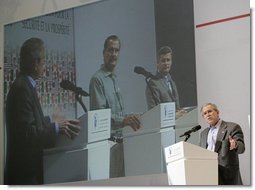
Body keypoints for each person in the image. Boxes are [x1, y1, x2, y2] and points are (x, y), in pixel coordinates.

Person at [4, 37, 80, 185]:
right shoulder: (22, 88)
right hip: (24, 176)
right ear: (35, 63)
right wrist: (57, 128)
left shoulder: (25, 85)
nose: (45, 65)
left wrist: (51, 120)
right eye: (43, 61)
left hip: (27, 173)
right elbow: (27, 134)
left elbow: (29, 123)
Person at [89, 35, 141, 178]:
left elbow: (117, 112)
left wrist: (132, 117)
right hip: (108, 147)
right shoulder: (97, 80)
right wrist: (123, 121)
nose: (114, 54)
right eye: (110, 50)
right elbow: (100, 117)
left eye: (116, 51)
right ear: (103, 52)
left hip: (122, 144)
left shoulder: (113, 78)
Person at [199, 103, 245, 185]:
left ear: (217, 112)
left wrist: (235, 145)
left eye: (210, 111)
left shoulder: (232, 127)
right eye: (204, 113)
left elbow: (241, 148)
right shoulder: (203, 133)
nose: (207, 115)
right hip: (208, 175)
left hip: (227, 176)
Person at [145, 46, 180, 111]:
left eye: (168, 60)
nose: (166, 63)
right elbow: (153, 111)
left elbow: (177, 107)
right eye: (163, 61)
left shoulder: (172, 82)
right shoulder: (153, 83)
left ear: (171, 62)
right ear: (158, 63)